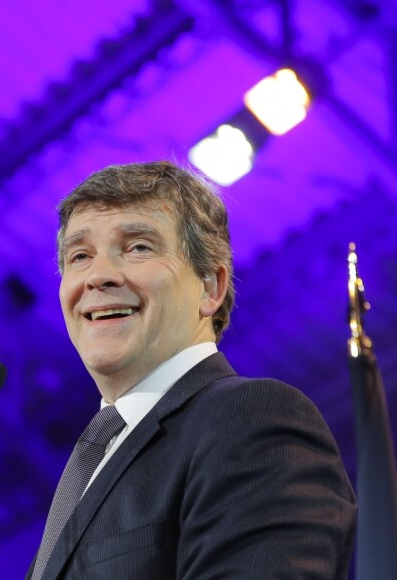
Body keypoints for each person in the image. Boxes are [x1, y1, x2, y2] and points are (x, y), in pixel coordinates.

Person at [26, 160, 356, 579]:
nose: (98, 276)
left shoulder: (252, 418)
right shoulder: (95, 456)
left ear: (210, 287)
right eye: (79, 256)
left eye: (138, 247)